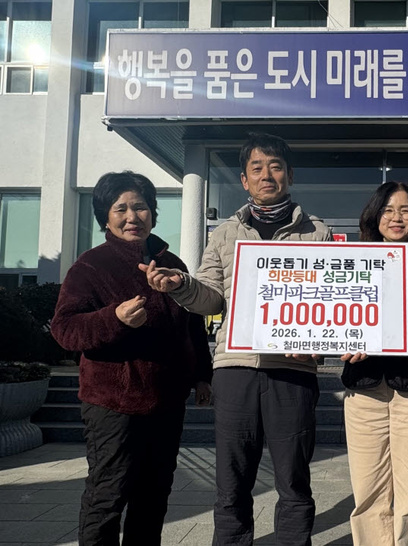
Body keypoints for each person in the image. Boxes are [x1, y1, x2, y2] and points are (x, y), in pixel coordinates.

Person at [139, 132, 333, 546]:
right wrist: (180, 285)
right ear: (244, 180)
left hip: (293, 371)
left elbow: (329, 302)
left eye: (275, 167)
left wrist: (320, 345)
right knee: (231, 483)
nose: (267, 175)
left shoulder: (317, 231)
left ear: (290, 174)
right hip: (235, 368)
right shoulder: (226, 233)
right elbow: (211, 296)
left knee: (294, 482)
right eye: (256, 168)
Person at [51, 171, 213, 546]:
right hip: (112, 404)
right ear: (105, 217)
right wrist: (114, 319)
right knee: (107, 495)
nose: (131, 216)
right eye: (120, 208)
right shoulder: (90, 267)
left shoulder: (171, 263)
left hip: (167, 402)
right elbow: (65, 329)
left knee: (154, 496)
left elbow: (192, 327)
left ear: (152, 213)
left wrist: (202, 376)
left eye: (140, 207)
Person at [340, 182, 408, 546]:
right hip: (364, 386)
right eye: (388, 210)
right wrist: (340, 341)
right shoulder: (351, 262)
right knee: (368, 492)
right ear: (375, 216)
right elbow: (336, 318)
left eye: (405, 209)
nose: (396, 218)